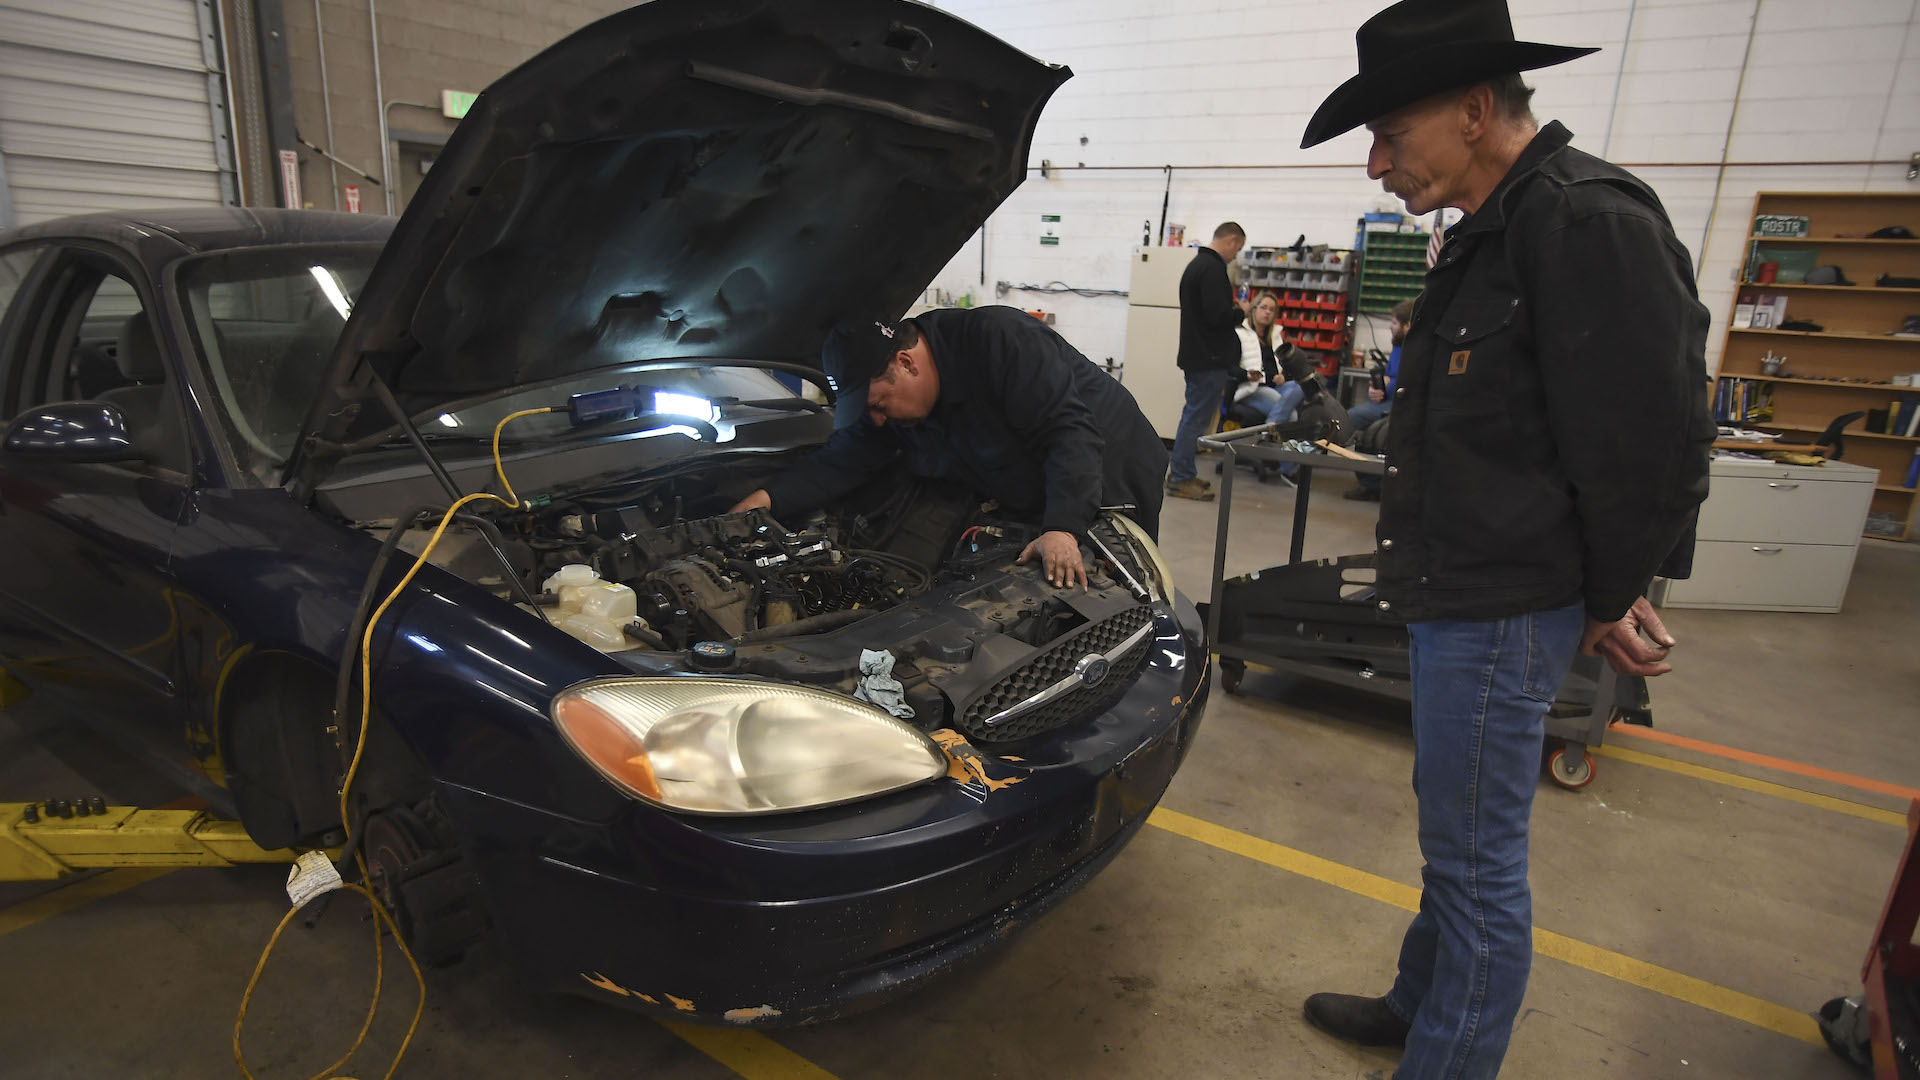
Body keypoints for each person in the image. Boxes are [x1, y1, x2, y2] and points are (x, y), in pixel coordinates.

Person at [1294, 2, 1713, 1077]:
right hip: (1460, 590)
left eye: (1390, 134)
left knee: (1479, 870)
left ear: (1476, 111)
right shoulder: (1493, 232)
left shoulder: (1584, 222)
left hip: (1505, 606)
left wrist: (1614, 591)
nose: (1377, 164)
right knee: (1456, 833)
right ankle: (1416, 1003)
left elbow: (1657, 440)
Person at [728, 307, 1168, 589]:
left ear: (905, 363)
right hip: (1026, 478)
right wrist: (766, 500)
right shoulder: (892, 404)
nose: (877, 418)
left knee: (1120, 585)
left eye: (879, 403)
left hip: (1111, 466)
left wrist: (1063, 527)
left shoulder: (1001, 341)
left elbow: (1069, 433)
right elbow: (843, 458)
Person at [1167, 222, 1249, 501]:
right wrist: (1240, 312)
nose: (1236, 255)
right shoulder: (1212, 269)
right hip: (1208, 358)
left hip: (1200, 356)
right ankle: (1180, 477)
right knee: (1194, 418)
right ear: (1231, 240)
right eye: (1237, 248)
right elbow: (1217, 316)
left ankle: (1183, 472)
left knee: (1193, 416)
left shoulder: (1198, 265)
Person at [1344, 298, 1413, 501]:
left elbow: (1406, 383)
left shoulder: (1413, 349)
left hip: (1398, 405)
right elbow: (1391, 376)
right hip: (1386, 401)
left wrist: (1387, 389)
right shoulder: (1399, 345)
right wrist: (1377, 388)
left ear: (1407, 325)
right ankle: (1370, 483)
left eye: (1393, 322)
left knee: (1351, 419)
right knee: (1359, 428)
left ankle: (1371, 485)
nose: (1391, 327)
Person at [1233, 293, 1305, 426]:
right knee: (1292, 416)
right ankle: (1268, 431)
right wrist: (1249, 375)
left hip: (1275, 386)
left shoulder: (1275, 336)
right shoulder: (1240, 334)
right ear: (1254, 309)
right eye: (1264, 307)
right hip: (1252, 388)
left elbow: (1284, 367)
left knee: (1301, 384)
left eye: (1272, 310)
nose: (1267, 313)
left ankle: (1272, 425)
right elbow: (1231, 368)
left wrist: (1283, 376)